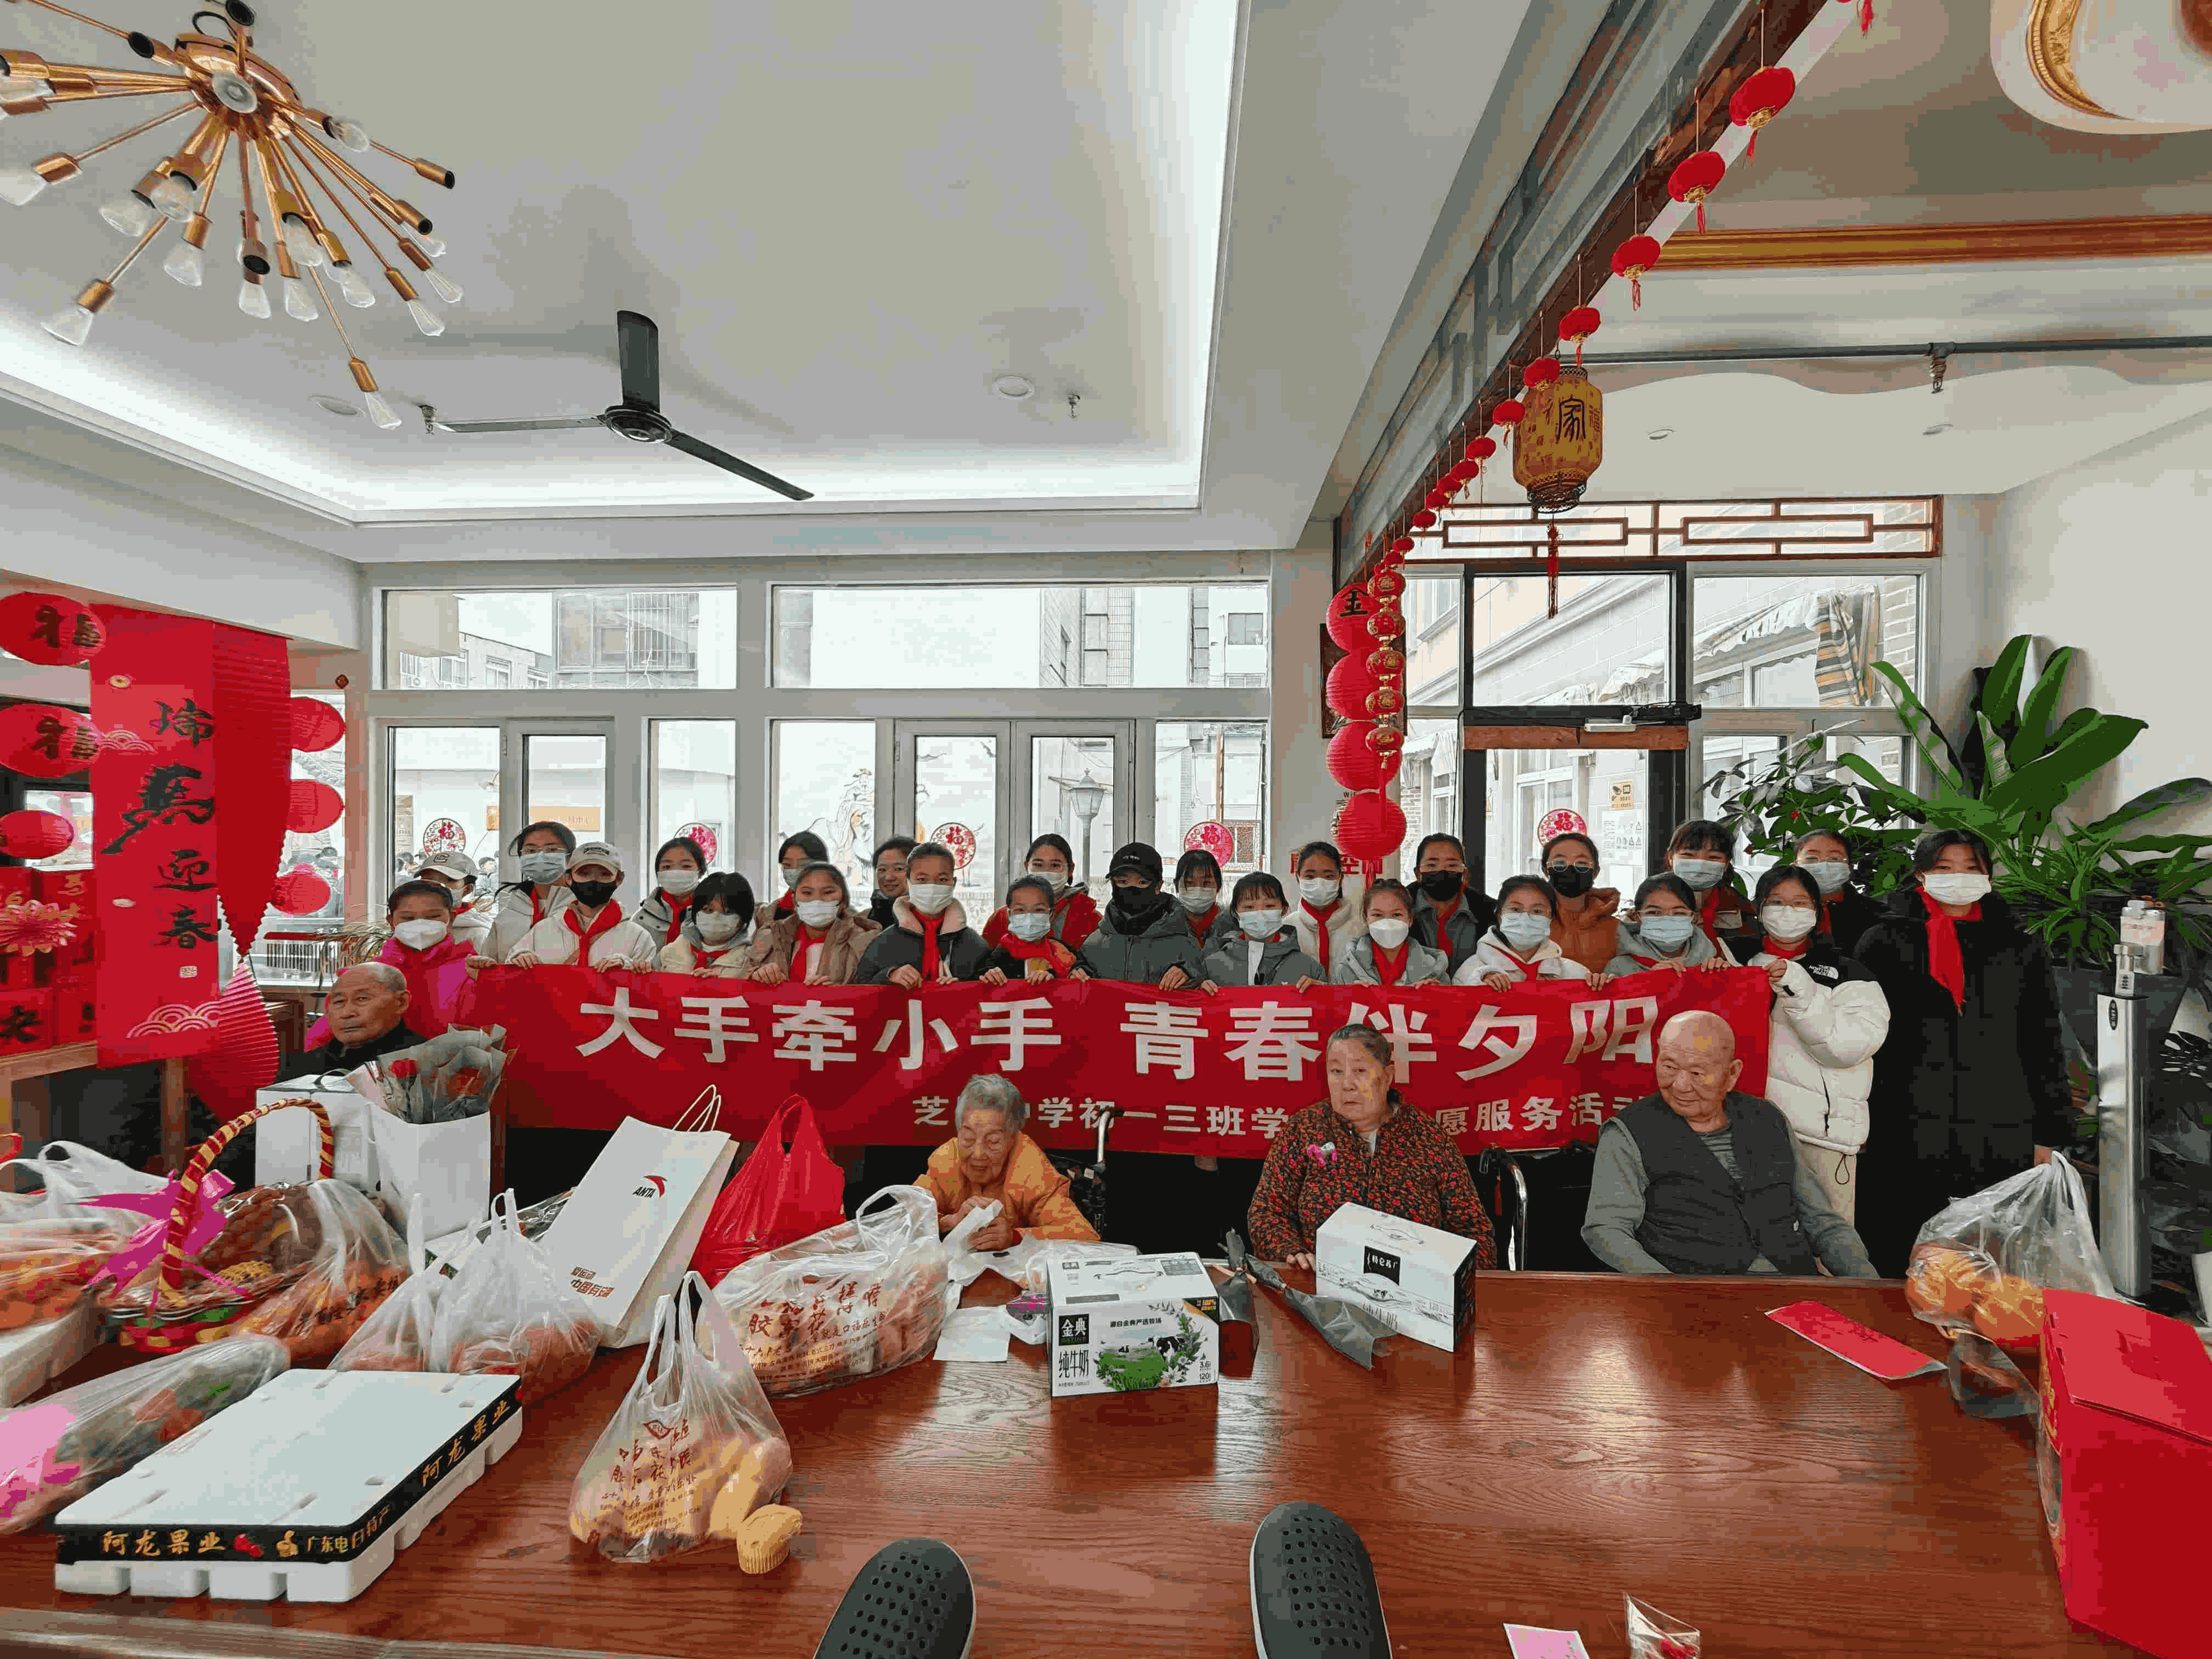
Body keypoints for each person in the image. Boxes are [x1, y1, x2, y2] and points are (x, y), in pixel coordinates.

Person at [1850, 828, 2073, 1276]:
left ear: (1989, 875)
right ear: (1920, 874)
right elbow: (1862, 1037)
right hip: (1904, 1121)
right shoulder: (1884, 940)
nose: (1959, 877)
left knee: (1989, 1257)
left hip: (1998, 1123)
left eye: (1972, 868)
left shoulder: (2019, 944)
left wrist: (2048, 1132)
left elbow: (2042, 1037)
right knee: (1899, 1248)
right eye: (1944, 867)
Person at [1581, 1011, 1876, 1276]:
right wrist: (1667, 1290)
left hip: (1794, 1284)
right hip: (1695, 1294)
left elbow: (1823, 1222)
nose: (1680, 1085)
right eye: (1669, 1067)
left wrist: (1867, 1285)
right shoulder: (1628, 1132)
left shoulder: (1768, 1118)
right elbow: (1606, 1230)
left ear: (1733, 1073)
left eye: (1697, 1073)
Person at [1246, 1024, 1497, 1270]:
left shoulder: (1428, 1138)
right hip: (1318, 1283)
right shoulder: (1304, 1129)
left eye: (1360, 1071)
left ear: (1387, 1076)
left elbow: (1475, 1232)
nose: (1347, 1084)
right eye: (1336, 1071)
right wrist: (1293, 1253)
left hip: (1417, 1288)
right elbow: (1266, 1213)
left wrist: (1446, 1275)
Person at [1724, 865, 1891, 1224]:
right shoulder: (1732, 962)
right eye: (1776, 902)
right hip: (1739, 1131)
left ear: (1817, 911)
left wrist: (1797, 987)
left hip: (1822, 1139)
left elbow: (1846, 1048)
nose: (1788, 911)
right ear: (1759, 908)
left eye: (1800, 903)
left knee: (1827, 1241)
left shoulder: (1849, 973)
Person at [915, 1075, 1099, 1246]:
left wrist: (1016, 1237)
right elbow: (906, 1217)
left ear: (1013, 1138)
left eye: (993, 1141)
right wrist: (950, 1222)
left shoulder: (1030, 1168)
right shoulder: (947, 1160)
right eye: (968, 1138)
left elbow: (1083, 1234)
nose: (978, 1154)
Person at [1073, 843, 1206, 989]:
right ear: (1112, 884)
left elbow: (1204, 983)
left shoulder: (1183, 942)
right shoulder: (1093, 945)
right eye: (1123, 882)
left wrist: (1189, 975)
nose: (1131, 889)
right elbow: (1078, 987)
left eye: (1142, 882)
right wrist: (1076, 974)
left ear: (1158, 886)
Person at [857, 842, 991, 985]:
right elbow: (858, 987)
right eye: (922, 880)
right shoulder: (886, 942)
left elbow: (988, 984)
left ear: (953, 883)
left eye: (942, 880)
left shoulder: (973, 943)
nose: (932, 887)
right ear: (909, 882)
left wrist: (963, 986)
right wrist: (889, 975)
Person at [508, 842, 658, 969]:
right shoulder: (542, 931)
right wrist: (520, 959)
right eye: (584, 874)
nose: (593, 880)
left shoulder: (638, 937)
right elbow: (510, 973)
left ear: (619, 879)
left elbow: (649, 987)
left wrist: (629, 967)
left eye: (604, 874)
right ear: (569, 878)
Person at [745, 860, 877, 984]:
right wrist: (758, 975)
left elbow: (874, 990)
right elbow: (742, 979)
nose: (817, 900)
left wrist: (837, 992)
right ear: (795, 901)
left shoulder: (863, 942)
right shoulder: (772, 936)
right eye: (807, 893)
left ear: (844, 901)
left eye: (828, 892)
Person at [1455, 876, 1600, 988]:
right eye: (1515, 909)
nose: (1525, 918)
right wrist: (1479, 987)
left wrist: (1602, 987)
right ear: (1499, 916)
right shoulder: (1471, 972)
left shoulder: (1577, 974)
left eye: (1537, 911)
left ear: (1551, 918)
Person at [1203, 872, 1323, 988]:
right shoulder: (1212, 966)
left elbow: (1327, 1001)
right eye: (1249, 907)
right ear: (1235, 913)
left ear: (1284, 909)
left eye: (1269, 906)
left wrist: (1322, 991)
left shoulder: (1308, 968)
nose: (1260, 914)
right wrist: (1199, 989)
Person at [981, 834, 1099, 951]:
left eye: (1055, 865)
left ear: (1070, 869)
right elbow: (985, 959)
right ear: (1027, 866)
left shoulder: (1088, 916)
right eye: (1038, 865)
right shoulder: (1002, 917)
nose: (1046, 872)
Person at [296, 963, 421, 1073]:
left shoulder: (421, 1062)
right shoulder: (307, 1063)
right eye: (339, 1001)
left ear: (401, 1002)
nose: (347, 1013)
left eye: (362, 999)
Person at [482, 820, 576, 962]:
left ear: (571, 857)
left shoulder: (584, 908)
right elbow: (489, 962)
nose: (540, 857)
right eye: (531, 851)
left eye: (552, 850)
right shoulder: (510, 912)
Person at [1606, 873, 1729, 977]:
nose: (1667, 920)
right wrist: (1646, 983)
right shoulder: (1619, 968)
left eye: (1679, 913)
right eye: (1654, 913)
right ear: (1637, 917)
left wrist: (1724, 977)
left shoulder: (1709, 960)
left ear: (1693, 917)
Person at [1334, 878, 1448, 987]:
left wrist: (1435, 993)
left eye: (1397, 915)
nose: (1387, 923)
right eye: (1377, 915)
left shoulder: (1435, 970)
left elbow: (1449, 1000)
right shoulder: (1347, 970)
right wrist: (1351, 994)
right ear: (1366, 919)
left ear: (1410, 919)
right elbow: (1335, 1001)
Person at [1408, 833, 1496, 974]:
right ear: (1418, 873)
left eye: (1452, 865)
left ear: (1464, 873)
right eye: (1431, 865)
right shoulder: (1396, 909)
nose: (1442, 872)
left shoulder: (1491, 911)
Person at [1664, 820, 1758, 950]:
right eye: (1688, 855)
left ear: (1726, 864)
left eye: (1713, 857)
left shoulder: (1742, 912)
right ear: (1671, 858)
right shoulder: (1649, 906)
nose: (1700, 865)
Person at [1793, 828, 1882, 957]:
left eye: (1834, 859)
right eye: (1812, 859)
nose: (1823, 866)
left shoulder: (1876, 916)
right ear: (1794, 866)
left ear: (1849, 868)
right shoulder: (1774, 912)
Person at [1542, 832, 1620, 975]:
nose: (1570, 868)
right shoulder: (1533, 923)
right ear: (1545, 871)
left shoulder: (1617, 929)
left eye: (1582, 863)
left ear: (1596, 872)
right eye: (1560, 862)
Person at [1286, 841, 1365, 980]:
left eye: (1329, 876)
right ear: (1298, 878)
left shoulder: (1361, 928)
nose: (1319, 884)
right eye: (1310, 876)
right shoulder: (1286, 928)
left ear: (1340, 878)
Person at [979, 876, 1080, 984]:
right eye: (1020, 910)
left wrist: (1056, 977)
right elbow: (979, 977)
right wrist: (989, 976)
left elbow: (1082, 973)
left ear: (1050, 915)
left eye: (1039, 910)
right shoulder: (998, 955)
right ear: (1009, 914)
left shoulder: (1063, 950)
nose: (1029, 918)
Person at [659, 872, 757, 976]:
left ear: (743, 918)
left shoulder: (751, 962)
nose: (716, 917)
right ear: (696, 913)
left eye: (727, 912)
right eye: (708, 910)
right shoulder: (669, 952)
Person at [635, 836, 709, 948]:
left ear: (701, 871)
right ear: (658, 873)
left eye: (686, 866)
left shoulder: (716, 914)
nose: (676, 872)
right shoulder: (641, 918)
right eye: (667, 867)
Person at [410, 853, 490, 950]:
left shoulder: (478, 934)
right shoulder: (408, 924)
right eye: (428, 880)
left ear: (468, 889)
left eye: (450, 880)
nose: (437, 886)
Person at [760, 831, 832, 930]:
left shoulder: (839, 912)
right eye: (787, 865)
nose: (794, 871)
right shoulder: (773, 910)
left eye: (803, 865)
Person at [1171, 848, 1232, 950]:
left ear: (1218, 887)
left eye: (1207, 883)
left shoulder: (1232, 925)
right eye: (1189, 883)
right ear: (1177, 886)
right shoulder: (1166, 926)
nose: (1198, 890)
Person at [868, 836, 918, 929]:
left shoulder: (928, 913)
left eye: (899, 869)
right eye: (882, 870)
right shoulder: (878, 907)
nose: (888, 877)